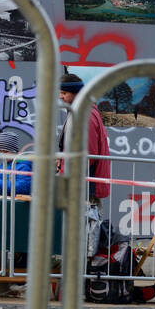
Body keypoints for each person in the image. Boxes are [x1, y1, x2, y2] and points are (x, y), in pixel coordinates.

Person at [57, 70, 111, 256]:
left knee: (81, 243)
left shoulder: (84, 115)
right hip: (83, 187)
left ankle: (78, 282)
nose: (60, 97)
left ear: (75, 93)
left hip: (83, 189)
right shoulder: (80, 111)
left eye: (64, 93)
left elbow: (87, 155)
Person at [0, 130, 32, 196]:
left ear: (15, 152)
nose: (3, 154)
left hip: (17, 205)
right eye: (0, 152)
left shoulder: (23, 166)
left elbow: (24, 187)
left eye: (6, 152)